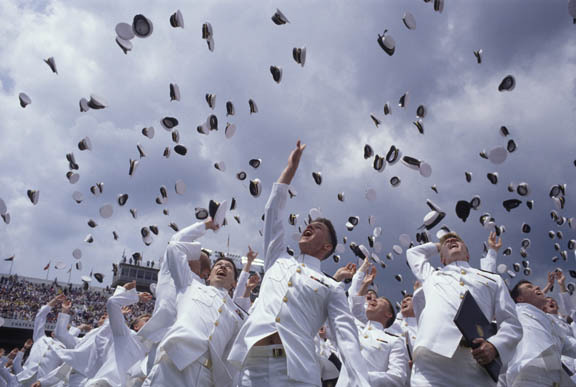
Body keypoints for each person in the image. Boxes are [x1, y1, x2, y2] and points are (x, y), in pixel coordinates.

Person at [228, 141, 370, 387]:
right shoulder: (277, 258)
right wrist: (288, 171)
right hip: (253, 366)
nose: (309, 226)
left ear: (327, 247)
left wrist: (361, 382)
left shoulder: (330, 286)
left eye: (318, 229)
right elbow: (273, 212)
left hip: (296, 372)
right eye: (308, 225)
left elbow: (346, 338)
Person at [406, 232, 521, 386]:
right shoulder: (431, 276)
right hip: (433, 360)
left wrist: (495, 346)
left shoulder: (493, 279)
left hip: (477, 363)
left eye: (458, 241)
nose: (452, 240)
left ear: (467, 255)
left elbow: (511, 322)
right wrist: (441, 245)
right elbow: (413, 253)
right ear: (442, 259)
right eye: (447, 243)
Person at [143, 218, 247, 387]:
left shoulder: (239, 316)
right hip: (173, 364)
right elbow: (174, 246)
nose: (222, 267)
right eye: (218, 265)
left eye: (228, 267)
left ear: (234, 282)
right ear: (209, 274)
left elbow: (231, 358)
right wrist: (201, 250)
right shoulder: (189, 285)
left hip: (206, 377)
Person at [337, 266, 409, 387]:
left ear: (388, 314)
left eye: (380, 300)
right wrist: (364, 283)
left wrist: (363, 378)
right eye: (370, 300)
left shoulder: (394, 341)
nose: (372, 300)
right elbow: (354, 304)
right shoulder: (353, 331)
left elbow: (398, 377)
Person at [507, 280, 576, 386]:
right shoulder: (516, 311)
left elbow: (572, 346)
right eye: (529, 287)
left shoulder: (552, 323)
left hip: (556, 379)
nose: (537, 287)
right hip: (528, 376)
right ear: (520, 299)